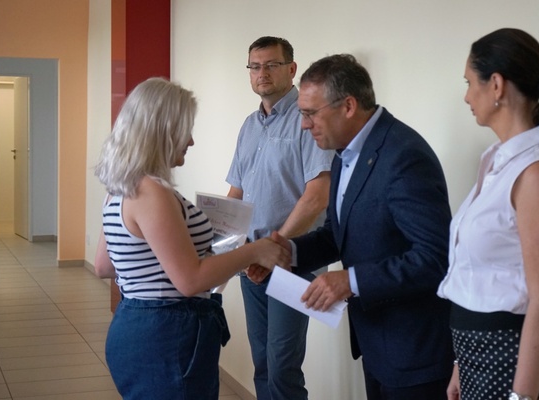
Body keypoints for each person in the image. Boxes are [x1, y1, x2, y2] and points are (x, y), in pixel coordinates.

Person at [93, 77, 290, 400]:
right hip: (167, 334)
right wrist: (255, 251)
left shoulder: (120, 187)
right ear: (163, 130)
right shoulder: (152, 192)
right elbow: (189, 281)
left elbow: (104, 265)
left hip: (134, 325)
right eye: (186, 130)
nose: (191, 141)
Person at [275, 53, 454, 400]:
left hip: (414, 354)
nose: (304, 125)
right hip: (376, 344)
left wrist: (350, 281)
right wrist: (287, 252)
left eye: (310, 113)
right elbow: (338, 235)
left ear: (348, 106)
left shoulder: (403, 156)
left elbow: (436, 258)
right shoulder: (344, 153)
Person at [437, 28, 539, 400]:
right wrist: (460, 364)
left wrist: (522, 397)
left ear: (496, 85)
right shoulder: (497, 162)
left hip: (511, 364)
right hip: (477, 359)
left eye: (469, 82)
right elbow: (479, 278)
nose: (467, 95)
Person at [226, 36, 333, 400]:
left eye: (272, 65)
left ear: (291, 69)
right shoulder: (249, 126)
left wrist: (274, 249)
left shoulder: (307, 119)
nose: (263, 73)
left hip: (293, 261)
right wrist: (224, 244)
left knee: (283, 365)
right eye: (255, 66)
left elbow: (317, 196)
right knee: (262, 363)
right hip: (251, 261)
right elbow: (236, 193)